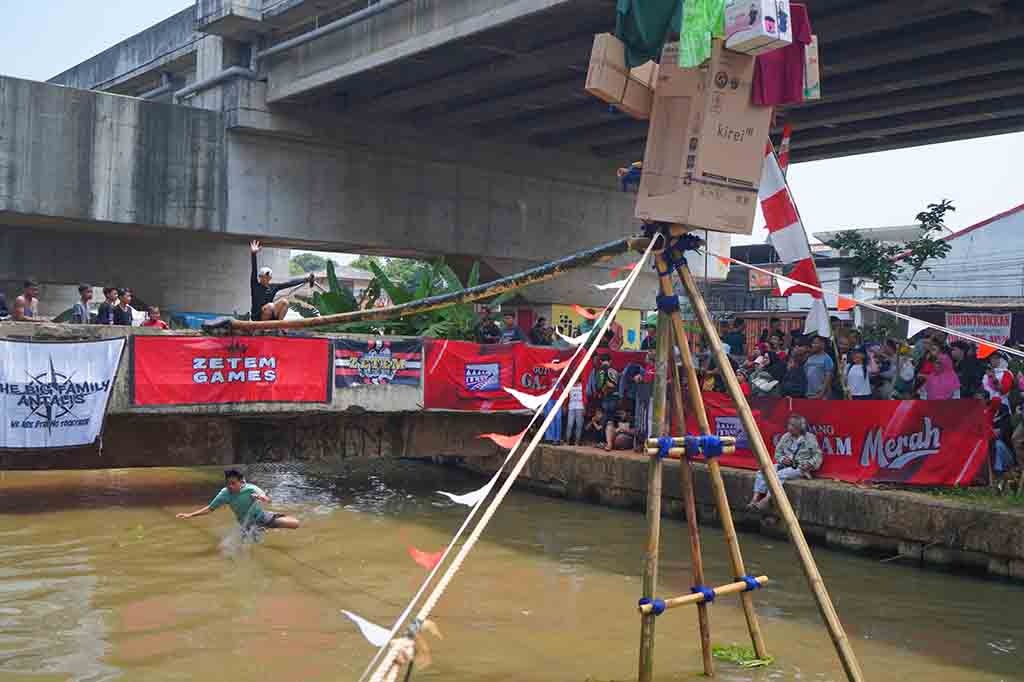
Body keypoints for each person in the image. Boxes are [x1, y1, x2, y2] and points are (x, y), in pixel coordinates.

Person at [176, 469, 300, 537]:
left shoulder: (250, 488)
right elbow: (210, 509)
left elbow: (265, 497)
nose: (230, 486)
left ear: (242, 482)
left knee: (295, 524)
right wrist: (190, 515)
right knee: (246, 550)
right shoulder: (224, 494)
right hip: (247, 525)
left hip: (262, 517)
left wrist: (262, 498)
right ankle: (261, 530)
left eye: (233, 483)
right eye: (228, 483)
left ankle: (269, 525)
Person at [747, 414, 821, 512]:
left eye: (793, 426)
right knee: (763, 471)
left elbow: (818, 455)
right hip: (784, 464)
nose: (789, 428)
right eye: (789, 425)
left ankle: (767, 499)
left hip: (800, 467)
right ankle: (755, 498)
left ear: (800, 428)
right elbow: (777, 453)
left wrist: (810, 464)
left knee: (779, 475)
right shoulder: (786, 437)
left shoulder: (810, 438)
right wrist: (782, 459)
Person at [250, 240, 314, 321]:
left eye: (266, 277)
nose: (264, 278)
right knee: (270, 306)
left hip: (270, 314)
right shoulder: (255, 285)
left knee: (284, 302)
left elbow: (289, 283)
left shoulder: (273, 287)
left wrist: (306, 279)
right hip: (257, 316)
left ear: (270, 278)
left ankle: (279, 326)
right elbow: (254, 270)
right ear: (260, 277)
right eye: (262, 276)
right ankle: (263, 328)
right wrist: (253, 254)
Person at [566, 381, 585, 445]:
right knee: (569, 424)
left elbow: (584, 396)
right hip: (571, 407)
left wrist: (584, 407)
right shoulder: (570, 384)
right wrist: (565, 406)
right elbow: (567, 396)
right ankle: (567, 441)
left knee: (579, 425)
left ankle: (577, 441)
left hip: (580, 406)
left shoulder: (582, 385)